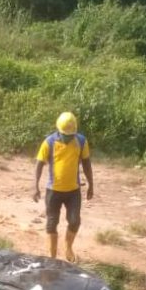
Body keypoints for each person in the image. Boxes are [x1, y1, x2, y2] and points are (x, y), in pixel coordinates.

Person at [33, 111, 94, 261]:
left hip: (73, 191)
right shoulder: (49, 142)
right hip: (53, 191)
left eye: (71, 135)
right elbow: (39, 164)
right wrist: (35, 186)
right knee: (51, 223)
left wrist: (91, 184)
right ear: (58, 131)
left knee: (75, 221)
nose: (68, 138)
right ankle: (51, 256)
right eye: (65, 135)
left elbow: (87, 164)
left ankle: (68, 248)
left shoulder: (81, 141)